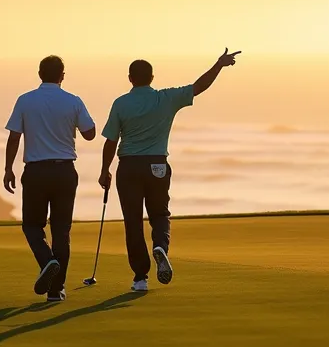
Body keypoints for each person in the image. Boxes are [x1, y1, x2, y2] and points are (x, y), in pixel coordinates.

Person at [99, 49, 241, 292]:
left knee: (133, 222)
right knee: (160, 214)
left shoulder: (121, 103)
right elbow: (198, 86)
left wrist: (105, 170)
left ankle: (140, 278)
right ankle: (160, 248)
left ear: (130, 78)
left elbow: (111, 140)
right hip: (157, 164)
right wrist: (219, 64)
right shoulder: (166, 98)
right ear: (152, 77)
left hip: (129, 166)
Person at [3, 55, 97, 302]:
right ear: (62, 75)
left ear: (39, 74)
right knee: (61, 230)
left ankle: (47, 261)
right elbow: (90, 134)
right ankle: (56, 290)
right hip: (65, 171)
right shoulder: (73, 101)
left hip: (35, 171)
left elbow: (14, 138)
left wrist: (8, 169)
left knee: (32, 226)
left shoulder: (25, 100)